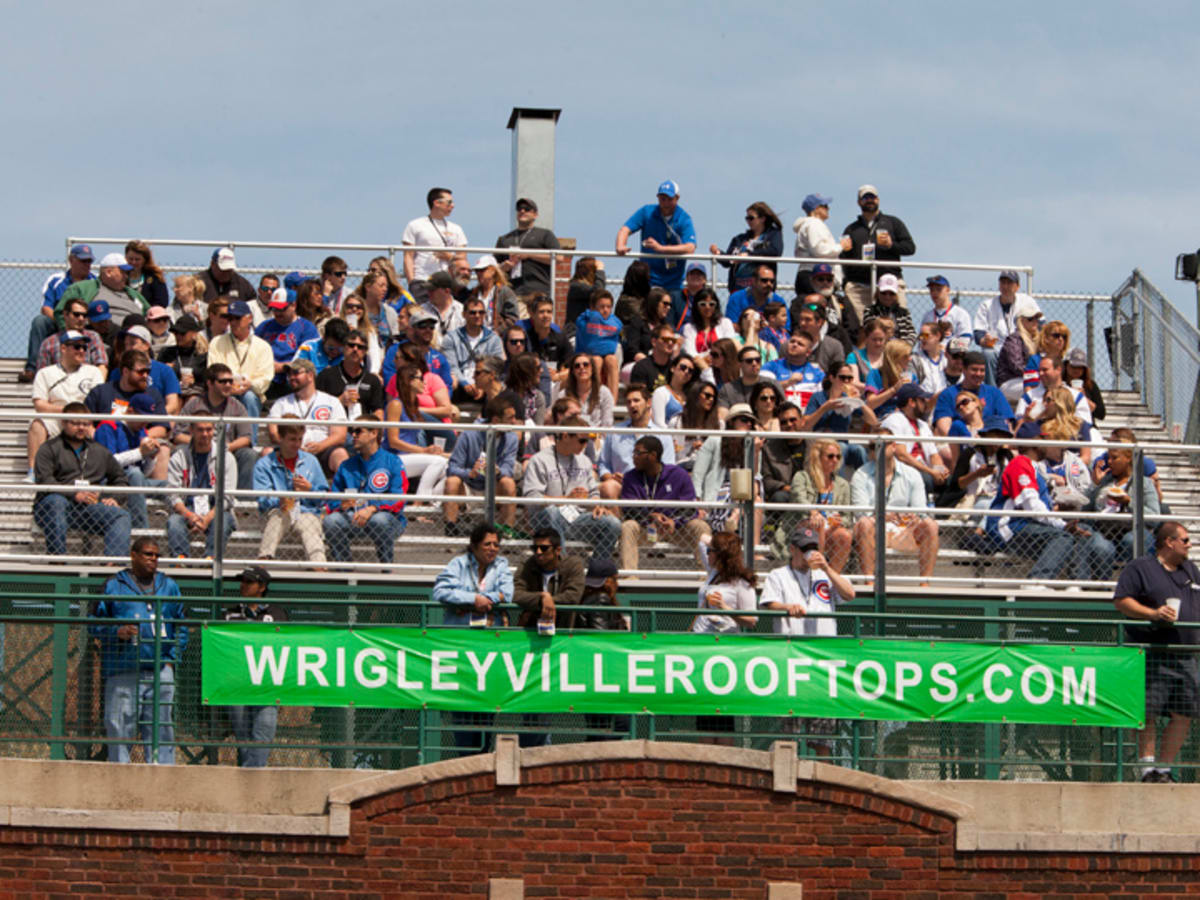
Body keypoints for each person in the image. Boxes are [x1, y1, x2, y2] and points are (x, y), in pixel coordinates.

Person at [1112, 521, 1200, 783]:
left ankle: (1164, 768)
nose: (1189, 545)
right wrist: (1153, 613)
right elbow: (1122, 601)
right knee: (1148, 710)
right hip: (1152, 652)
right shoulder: (1141, 568)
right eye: (1185, 540)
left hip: (1186, 653)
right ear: (1169, 542)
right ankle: (1147, 769)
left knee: (1185, 712)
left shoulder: (1191, 570)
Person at [760, 525, 855, 755]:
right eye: (804, 549)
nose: (809, 553)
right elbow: (769, 604)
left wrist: (828, 568)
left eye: (813, 548)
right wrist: (787, 607)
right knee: (789, 735)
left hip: (823, 660)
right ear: (792, 549)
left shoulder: (824, 575)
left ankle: (825, 785)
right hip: (794, 659)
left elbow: (849, 595)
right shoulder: (778, 575)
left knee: (822, 738)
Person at [90, 537, 186, 764]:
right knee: (120, 726)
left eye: (156, 555)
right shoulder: (114, 584)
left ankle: (162, 778)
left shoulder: (169, 586)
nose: (153, 559)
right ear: (133, 555)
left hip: (160, 669)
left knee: (161, 727)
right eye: (147, 554)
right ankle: (120, 778)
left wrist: (172, 659)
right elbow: (92, 622)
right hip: (124, 669)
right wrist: (116, 632)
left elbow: (181, 624)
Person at [970, 421, 1084, 588]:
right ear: (1034, 443)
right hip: (1009, 527)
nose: (1048, 443)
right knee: (1063, 535)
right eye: (1044, 438)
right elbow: (1032, 506)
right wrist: (1062, 525)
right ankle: (1036, 582)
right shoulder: (1019, 464)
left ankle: (1076, 585)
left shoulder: (1034, 467)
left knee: (1081, 534)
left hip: (1026, 526)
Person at [33, 403, 131, 558]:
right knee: (56, 501)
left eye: (85, 424)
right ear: (63, 423)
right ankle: (57, 561)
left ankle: (113, 566)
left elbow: (121, 479)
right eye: (75, 423)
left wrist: (113, 497)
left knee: (121, 515)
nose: (81, 428)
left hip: (87, 509)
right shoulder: (49, 448)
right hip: (52, 509)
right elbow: (45, 481)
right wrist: (74, 494)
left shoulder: (100, 451)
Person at [850, 428, 940, 586]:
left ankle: (925, 584)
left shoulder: (912, 474)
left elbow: (920, 510)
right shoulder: (860, 475)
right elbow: (860, 512)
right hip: (874, 530)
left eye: (881, 444)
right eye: (873, 446)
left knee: (930, 525)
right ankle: (869, 582)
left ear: (893, 446)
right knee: (864, 523)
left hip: (903, 531)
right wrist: (881, 516)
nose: (876, 449)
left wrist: (914, 517)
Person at [523, 415, 621, 559]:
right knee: (552, 512)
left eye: (588, 440)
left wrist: (596, 505)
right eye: (582, 440)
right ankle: (562, 566)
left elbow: (594, 491)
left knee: (613, 523)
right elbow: (531, 497)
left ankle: (597, 568)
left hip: (577, 519)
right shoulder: (539, 460)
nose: (585, 444)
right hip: (546, 520)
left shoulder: (585, 461)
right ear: (565, 436)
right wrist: (565, 499)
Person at [692, 532, 758, 741]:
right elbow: (702, 538)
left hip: (723, 650)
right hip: (701, 647)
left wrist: (724, 607)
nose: (708, 554)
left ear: (722, 555)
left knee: (722, 715)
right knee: (703, 714)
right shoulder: (712, 572)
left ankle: (724, 763)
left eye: (712, 551)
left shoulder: (741, 583)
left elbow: (751, 620)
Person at [222, 566, 288, 767]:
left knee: (265, 728)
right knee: (243, 736)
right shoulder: (230, 613)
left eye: (249, 582)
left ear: (262, 587)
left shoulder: (277, 614)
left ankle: (254, 775)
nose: (243, 585)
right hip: (238, 682)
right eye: (242, 581)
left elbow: (286, 648)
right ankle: (249, 779)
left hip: (267, 682)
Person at [618, 436, 711, 571]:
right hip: (647, 529)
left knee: (700, 526)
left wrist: (673, 521)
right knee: (628, 526)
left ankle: (705, 576)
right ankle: (630, 576)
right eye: (634, 453)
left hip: (676, 530)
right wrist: (651, 517)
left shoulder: (678, 475)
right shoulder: (630, 477)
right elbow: (629, 510)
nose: (633, 457)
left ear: (653, 455)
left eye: (638, 453)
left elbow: (690, 509)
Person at [324, 418, 409, 565]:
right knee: (331, 521)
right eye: (352, 431)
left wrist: (372, 508)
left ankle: (386, 569)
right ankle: (345, 568)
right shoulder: (346, 465)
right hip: (354, 517)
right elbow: (332, 499)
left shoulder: (393, 461)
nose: (353, 436)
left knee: (379, 520)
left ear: (373, 433)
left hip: (388, 520)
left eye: (358, 431)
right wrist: (341, 504)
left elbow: (399, 498)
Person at [1074, 441, 1159, 584]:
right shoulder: (1104, 481)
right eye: (1108, 458)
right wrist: (1094, 485)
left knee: (1131, 540)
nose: (1109, 462)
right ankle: (1103, 589)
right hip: (1104, 529)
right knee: (1101, 547)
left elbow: (1155, 518)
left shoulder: (1144, 483)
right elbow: (1085, 510)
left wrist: (1128, 501)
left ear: (1128, 458)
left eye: (1114, 458)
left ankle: (1137, 585)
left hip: (1132, 529)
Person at [443, 392, 522, 536]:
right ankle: (451, 529)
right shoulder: (469, 434)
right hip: (469, 486)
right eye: (510, 418)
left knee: (508, 483)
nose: (515, 422)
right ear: (496, 420)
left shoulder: (512, 438)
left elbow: (508, 469)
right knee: (452, 481)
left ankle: (507, 531)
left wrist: (497, 471)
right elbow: (452, 467)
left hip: (493, 487)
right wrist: (470, 473)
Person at [28, 330, 104, 479]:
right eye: (77, 346)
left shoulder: (93, 372)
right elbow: (39, 404)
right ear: (63, 348)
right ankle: (33, 471)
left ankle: (98, 474)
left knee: (99, 431)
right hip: (56, 419)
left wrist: (79, 415)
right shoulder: (45, 373)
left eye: (84, 347)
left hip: (85, 420)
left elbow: (99, 401)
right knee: (36, 424)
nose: (82, 351)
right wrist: (66, 411)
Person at [839, 185, 916, 330]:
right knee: (865, 328)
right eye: (865, 197)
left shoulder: (893, 223)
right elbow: (843, 258)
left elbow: (910, 248)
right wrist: (846, 282)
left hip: (890, 282)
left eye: (872, 197)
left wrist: (891, 245)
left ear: (878, 199)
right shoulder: (851, 229)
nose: (869, 200)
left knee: (897, 326)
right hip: (860, 287)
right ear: (859, 202)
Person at [253, 417, 328, 565]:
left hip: (307, 511)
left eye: (300, 439)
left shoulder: (311, 460)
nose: (298, 444)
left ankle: (320, 569)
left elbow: (323, 497)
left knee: (310, 527)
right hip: (277, 511)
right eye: (292, 439)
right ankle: (263, 563)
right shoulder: (264, 464)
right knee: (277, 518)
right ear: (280, 438)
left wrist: (310, 490)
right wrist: (279, 501)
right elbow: (262, 500)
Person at [20, 243, 96, 383]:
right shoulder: (56, 280)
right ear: (71, 260)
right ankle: (32, 369)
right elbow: (46, 308)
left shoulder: (95, 282)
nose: (87, 265)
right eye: (83, 261)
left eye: (89, 261)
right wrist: (64, 321)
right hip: (59, 323)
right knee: (40, 321)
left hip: (85, 325)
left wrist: (78, 321)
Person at [176, 364, 258, 492]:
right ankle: (183, 496)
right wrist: (202, 443)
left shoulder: (237, 406)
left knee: (249, 454)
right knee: (179, 450)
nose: (228, 385)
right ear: (210, 383)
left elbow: (246, 438)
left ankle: (243, 504)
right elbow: (178, 435)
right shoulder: (194, 404)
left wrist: (226, 447)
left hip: (227, 451)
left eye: (230, 381)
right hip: (198, 450)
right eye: (222, 381)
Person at [166, 420, 237, 559]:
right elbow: (173, 495)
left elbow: (227, 498)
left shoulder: (226, 458)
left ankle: (210, 559)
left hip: (216, 510)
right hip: (187, 509)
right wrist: (189, 515)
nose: (205, 434)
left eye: (209, 429)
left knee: (223, 521)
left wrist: (207, 518)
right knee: (174, 522)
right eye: (200, 430)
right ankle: (181, 561)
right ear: (191, 430)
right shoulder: (179, 457)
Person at [205, 299, 274, 440]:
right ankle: (218, 444)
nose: (233, 322)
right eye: (230, 318)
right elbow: (213, 371)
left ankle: (249, 443)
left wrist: (249, 385)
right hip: (223, 392)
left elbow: (265, 378)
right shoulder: (217, 342)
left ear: (249, 318)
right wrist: (229, 386)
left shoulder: (262, 346)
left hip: (250, 393)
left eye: (237, 318)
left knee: (249, 397)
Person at [268, 358, 348, 477]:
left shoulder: (331, 401)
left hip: (322, 451)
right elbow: (274, 433)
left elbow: (340, 435)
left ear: (310, 375)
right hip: (288, 451)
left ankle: (347, 494)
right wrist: (294, 446)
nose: (291, 377)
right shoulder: (281, 403)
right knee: (267, 452)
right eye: (289, 374)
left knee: (340, 454)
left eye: (296, 373)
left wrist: (320, 446)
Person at [615, 180, 697, 295]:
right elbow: (625, 229)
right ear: (658, 198)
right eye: (662, 198)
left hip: (674, 282)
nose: (666, 202)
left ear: (677, 198)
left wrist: (660, 248)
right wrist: (620, 246)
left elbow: (690, 247)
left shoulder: (684, 219)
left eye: (670, 199)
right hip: (648, 280)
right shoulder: (647, 212)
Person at [597, 384, 676, 501]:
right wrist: (611, 477)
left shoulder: (663, 435)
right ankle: (614, 520)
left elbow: (668, 470)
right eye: (628, 402)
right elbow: (603, 464)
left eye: (636, 400)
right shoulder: (614, 432)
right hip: (621, 487)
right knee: (608, 487)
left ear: (648, 403)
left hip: (651, 488)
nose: (632, 405)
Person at [791, 440, 853, 572]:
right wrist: (812, 511)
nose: (835, 460)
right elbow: (799, 499)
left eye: (838, 457)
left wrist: (840, 521)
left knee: (844, 535)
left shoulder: (843, 484)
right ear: (818, 458)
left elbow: (848, 516)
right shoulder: (802, 477)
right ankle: (816, 572)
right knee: (818, 524)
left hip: (831, 529)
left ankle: (832, 576)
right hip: (807, 525)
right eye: (830, 456)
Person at [880, 383, 951, 497]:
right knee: (926, 480)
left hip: (924, 470)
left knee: (953, 482)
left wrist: (940, 470)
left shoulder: (923, 424)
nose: (926, 403)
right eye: (922, 400)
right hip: (903, 470)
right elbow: (901, 455)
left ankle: (942, 515)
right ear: (911, 402)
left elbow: (934, 455)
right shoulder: (894, 420)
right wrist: (930, 472)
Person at [513, 526, 586, 631]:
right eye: (535, 548)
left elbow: (573, 596)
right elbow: (516, 593)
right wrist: (542, 597)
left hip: (564, 629)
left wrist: (549, 600)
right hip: (533, 630)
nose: (538, 552)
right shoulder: (527, 565)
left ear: (558, 550)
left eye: (544, 548)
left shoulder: (573, 565)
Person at [973, 270, 1038, 386]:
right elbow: (978, 332)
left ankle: (1033, 383)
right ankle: (992, 392)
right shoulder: (987, 305)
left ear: (1017, 286)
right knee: (988, 354)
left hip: (1021, 348)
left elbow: (1041, 323)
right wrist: (984, 340)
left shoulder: (1027, 301)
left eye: (1010, 283)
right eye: (1003, 282)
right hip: (997, 349)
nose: (1006, 286)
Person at [55, 252, 148, 333]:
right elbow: (61, 313)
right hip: (100, 337)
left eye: (127, 273)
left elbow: (150, 313)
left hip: (136, 338)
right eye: (123, 272)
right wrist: (72, 335)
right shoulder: (83, 288)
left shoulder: (133, 295)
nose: (126, 276)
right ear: (108, 272)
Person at [402, 187, 468, 302]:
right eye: (449, 202)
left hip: (448, 282)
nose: (453, 206)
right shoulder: (415, 225)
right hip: (422, 280)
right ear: (436, 203)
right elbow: (408, 256)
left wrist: (449, 257)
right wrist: (412, 282)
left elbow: (463, 257)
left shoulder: (456, 229)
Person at [255, 288, 321, 400]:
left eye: (282, 309)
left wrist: (284, 367)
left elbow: (309, 359)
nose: (277, 312)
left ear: (293, 306)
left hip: (292, 376)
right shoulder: (264, 327)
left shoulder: (306, 328)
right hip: (266, 375)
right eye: (274, 308)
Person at [932, 351, 1015, 436]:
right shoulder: (948, 394)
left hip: (991, 442)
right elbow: (944, 428)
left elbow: (1007, 423)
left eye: (982, 370)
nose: (978, 374)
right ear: (963, 370)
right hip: (960, 442)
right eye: (974, 370)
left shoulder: (994, 393)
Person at [709, 201, 784, 295]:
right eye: (746, 218)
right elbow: (729, 261)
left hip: (761, 290)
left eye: (751, 218)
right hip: (738, 289)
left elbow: (775, 251)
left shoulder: (773, 235)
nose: (748, 221)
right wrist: (718, 252)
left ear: (762, 218)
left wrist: (749, 255)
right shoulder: (739, 239)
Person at [106, 323, 182, 415]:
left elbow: (173, 404)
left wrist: (151, 418)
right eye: (126, 344)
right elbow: (113, 399)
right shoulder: (118, 372)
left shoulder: (165, 371)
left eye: (133, 343)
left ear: (146, 345)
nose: (128, 348)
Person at [315, 329, 387, 423]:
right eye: (351, 345)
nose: (355, 349)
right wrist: (339, 401)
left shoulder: (372, 380)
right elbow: (316, 407)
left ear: (365, 352)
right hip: (333, 429)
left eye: (360, 347)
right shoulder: (326, 375)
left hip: (363, 432)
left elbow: (378, 410)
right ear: (343, 347)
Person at [495, 197, 561, 299]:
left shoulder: (545, 234)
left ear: (535, 214)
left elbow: (559, 258)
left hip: (538, 291)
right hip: (511, 292)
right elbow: (493, 267)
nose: (522, 211)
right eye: (519, 208)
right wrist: (504, 266)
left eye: (527, 209)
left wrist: (529, 255)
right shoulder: (504, 239)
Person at [35, 295, 109, 377]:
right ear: (65, 315)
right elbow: (42, 374)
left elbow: (102, 366)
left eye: (84, 315)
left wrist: (96, 387)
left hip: (87, 385)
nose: (81, 318)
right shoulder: (49, 343)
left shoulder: (93, 337)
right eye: (76, 314)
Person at [791, 193, 845, 297]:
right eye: (824, 206)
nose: (828, 208)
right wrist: (841, 246)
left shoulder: (809, 224)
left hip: (811, 273)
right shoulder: (814, 224)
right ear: (816, 208)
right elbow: (818, 249)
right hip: (815, 274)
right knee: (816, 309)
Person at [1015, 354, 1092, 425]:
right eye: (1039, 370)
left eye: (1045, 370)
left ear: (1058, 370)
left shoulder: (1076, 396)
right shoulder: (1029, 396)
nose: (1040, 373)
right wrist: (1027, 419)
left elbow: (1085, 424)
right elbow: (1019, 425)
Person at [574, 289, 622, 399]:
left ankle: (611, 404)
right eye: (601, 307)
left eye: (608, 307)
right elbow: (579, 323)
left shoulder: (614, 321)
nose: (605, 310)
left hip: (607, 355)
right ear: (593, 308)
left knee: (612, 360)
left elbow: (619, 328)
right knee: (596, 360)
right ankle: (594, 400)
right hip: (585, 355)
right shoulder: (586, 318)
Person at [996, 296, 1044, 402]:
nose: (1035, 322)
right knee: (1038, 389)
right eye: (1030, 319)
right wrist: (1039, 373)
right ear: (1021, 321)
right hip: (1010, 382)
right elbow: (1016, 366)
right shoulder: (1014, 339)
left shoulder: (1038, 339)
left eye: (1037, 319)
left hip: (1031, 378)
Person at [762, 331, 824, 411]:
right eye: (792, 341)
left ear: (808, 352)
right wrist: (788, 382)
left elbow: (822, 399)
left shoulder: (817, 373)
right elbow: (763, 391)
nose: (794, 345)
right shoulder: (771, 366)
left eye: (800, 344)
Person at [551, 353, 614, 430]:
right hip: (570, 437)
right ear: (573, 371)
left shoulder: (604, 392)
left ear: (592, 369)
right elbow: (557, 420)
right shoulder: (564, 394)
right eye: (577, 366)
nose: (581, 367)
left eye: (586, 364)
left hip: (596, 437)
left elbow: (607, 423)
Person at [724, 264, 789, 333]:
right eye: (764, 280)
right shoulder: (736, 298)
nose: (769, 284)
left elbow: (785, 330)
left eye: (772, 281)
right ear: (753, 281)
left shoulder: (779, 301)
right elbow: (732, 327)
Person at [792, 298, 846, 376]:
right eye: (801, 319)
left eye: (808, 320)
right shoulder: (789, 345)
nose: (802, 323)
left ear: (820, 322)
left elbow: (839, 375)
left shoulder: (834, 346)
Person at [157, 314, 207, 394]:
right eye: (176, 333)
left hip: (196, 394)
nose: (178, 336)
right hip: (171, 392)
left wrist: (194, 383)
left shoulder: (202, 356)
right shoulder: (166, 353)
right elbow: (156, 378)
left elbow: (208, 382)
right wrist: (165, 371)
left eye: (182, 333)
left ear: (193, 334)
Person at [681, 287, 735, 360]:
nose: (707, 307)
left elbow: (728, 347)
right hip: (698, 365)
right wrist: (706, 359)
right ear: (696, 306)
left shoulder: (725, 323)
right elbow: (689, 352)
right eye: (703, 304)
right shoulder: (689, 328)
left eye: (711, 304)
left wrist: (708, 357)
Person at [862, 274, 916, 346]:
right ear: (878, 293)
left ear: (896, 294)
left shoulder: (904, 313)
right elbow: (869, 332)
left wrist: (903, 347)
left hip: (900, 350)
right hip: (878, 348)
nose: (887, 296)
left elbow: (912, 334)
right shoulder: (870, 311)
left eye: (891, 293)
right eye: (884, 293)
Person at [920, 275, 973, 344]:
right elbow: (922, 341)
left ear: (948, 290)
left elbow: (965, 340)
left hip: (952, 353)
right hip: (931, 354)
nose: (935, 293)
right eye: (932, 290)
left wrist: (947, 349)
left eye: (939, 289)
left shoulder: (960, 314)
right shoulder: (927, 316)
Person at [650, 355, 699, 430]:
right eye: (683, 367)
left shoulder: (691, 396)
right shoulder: (661, 392)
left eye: (690, 371)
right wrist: (671, 439)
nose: (686, 372)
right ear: (672, 368)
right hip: (666, 438)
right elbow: (658, 423)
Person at [629, 324, 679, 392]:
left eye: (673, 340)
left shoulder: (675, 368)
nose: (670, 343)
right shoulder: (641, 367)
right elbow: (639, 396)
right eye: (666, 339)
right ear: (654, 342)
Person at [717, 345, 766, 413]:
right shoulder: (727, 389)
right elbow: (722, 416)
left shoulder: (772, 384)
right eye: (749, 361)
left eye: (758, 360)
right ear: (740, 364)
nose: (754, 363)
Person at [419, 271, 465, 343]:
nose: (428, 293)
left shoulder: (461, 311)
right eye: (428, 289)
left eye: (432, 290)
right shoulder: (422, 310)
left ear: (447, 291)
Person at [564, 256, 603, 336]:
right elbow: (598, 292)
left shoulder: (584, 287)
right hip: (576, 333)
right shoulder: (576, 286)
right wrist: (600, 271)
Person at [1065, 346, 1106, 422]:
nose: (1077, 370)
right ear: (1066, 365)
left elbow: (1101, 414)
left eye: (1080, 367)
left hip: (1085, 425)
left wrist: (1083, 398)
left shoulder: (1090, 385)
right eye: (1073, 366)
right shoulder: (1061, 383)